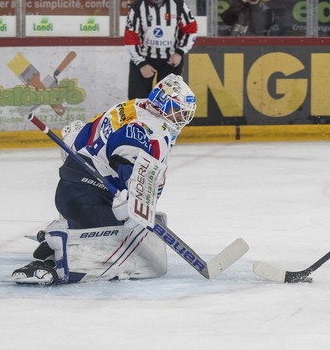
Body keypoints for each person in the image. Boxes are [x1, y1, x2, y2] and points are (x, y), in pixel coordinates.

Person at [10, 74, 197, 285]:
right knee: (121, 241)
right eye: (176, 111)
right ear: (162, 103)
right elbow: (124, 160)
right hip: (85, 199)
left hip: (72, 190)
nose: (180, 119)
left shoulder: (133, 106)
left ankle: (59, 238)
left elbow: (86, 135)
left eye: (183, 114)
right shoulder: (150, 132)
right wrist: (134, 197)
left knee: (121, 226)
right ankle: (56, 254)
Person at [125, 0, 198, 100]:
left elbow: (191, 29)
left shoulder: (178, 4)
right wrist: (141, 63)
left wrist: (180, 52)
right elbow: (131, 38)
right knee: (136, 101)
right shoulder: (137, 6)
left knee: (169, 101)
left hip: (171, 60)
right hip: (144, 58)